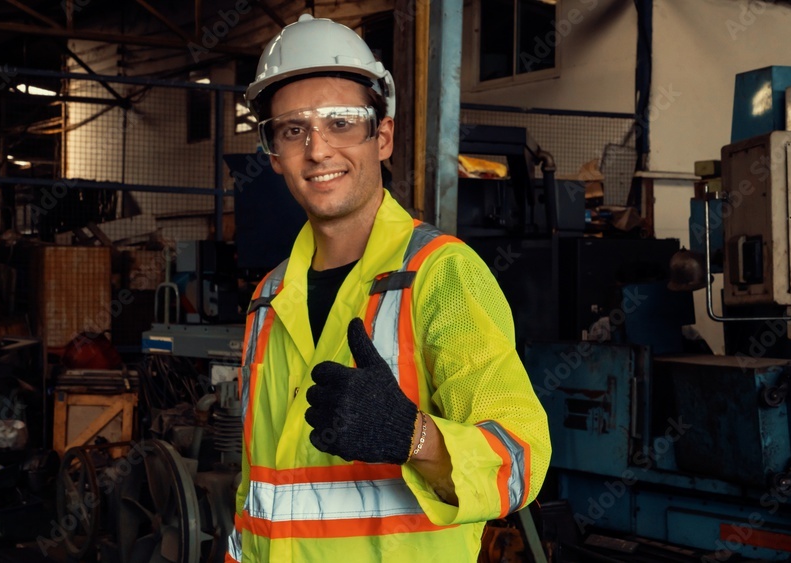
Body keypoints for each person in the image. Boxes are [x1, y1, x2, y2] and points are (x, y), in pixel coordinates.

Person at [227, 13, 551, 562]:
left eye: (342, 123)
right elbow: (259, 491)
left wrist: (413, 436)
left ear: (383, 135)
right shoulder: (269, 297)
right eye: (293, 129)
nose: (318, 150)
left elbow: (520, 461)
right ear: (274, 154)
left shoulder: (440, 273)